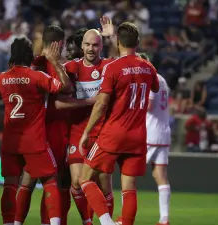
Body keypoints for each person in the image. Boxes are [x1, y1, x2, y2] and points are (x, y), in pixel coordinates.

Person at [78, 22, 159, 225]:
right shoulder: (148, 67)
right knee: (129, 187)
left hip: (113, 133)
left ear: (118, 42)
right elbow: (155, 88)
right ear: (138, 42)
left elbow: (101, 104)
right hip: (138, 136)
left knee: (85, 178)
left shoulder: (112, 67)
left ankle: (106, 222)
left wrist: (87, 132)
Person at [0, 37, 71, 225]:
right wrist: (53, 61)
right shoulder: (38, 77)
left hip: (11, 141)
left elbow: (2, 91)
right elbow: (65, 86)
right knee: (50, 181)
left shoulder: (1, 78)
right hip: (34, 139)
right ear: (30, 55)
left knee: (10, 185)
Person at [60, 17, 116, 224]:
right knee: (76, 180)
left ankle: (105, 220)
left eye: (95, 45)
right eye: (87, 44)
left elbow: (129, 59)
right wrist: (88, 101)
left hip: (103, 131)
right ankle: (87, 221)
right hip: (78, 130)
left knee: (103, 182)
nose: (91, 49)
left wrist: (112, 36)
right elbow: (58, 101)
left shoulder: (109, 66)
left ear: (101, 46)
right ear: (81, 46)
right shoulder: (70, 68)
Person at [116, 53, 171, 225]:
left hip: (149, 132)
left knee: (128, 175)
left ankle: (124, 218)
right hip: (163, 132)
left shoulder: (149, 78)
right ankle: (164, 219)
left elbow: (149, 104)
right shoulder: (163, 80)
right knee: (160, 175)